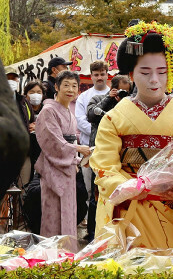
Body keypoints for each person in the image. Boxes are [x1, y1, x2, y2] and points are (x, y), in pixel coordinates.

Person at [89, 21, 173, 277]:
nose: (154, 80)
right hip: (131, 213)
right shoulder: (114, 119)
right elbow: (104, 167)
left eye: (162, 72)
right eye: (145, 72)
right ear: (130, 74)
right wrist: (130, 187)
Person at [34, 70, 92, 250]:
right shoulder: (48, 111)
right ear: (56, 87)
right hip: (53, 166)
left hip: (68, 166)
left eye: (74, 86)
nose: (70, 89)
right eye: (66, 85)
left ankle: (67, 254)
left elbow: (69, 139)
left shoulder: (69, 112)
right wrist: (77, 150)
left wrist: (75, 157)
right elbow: (53, 142)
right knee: (53, 211)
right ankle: (51, 256)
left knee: (68, 211)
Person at [83, 74, 132, 242]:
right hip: (100, 152)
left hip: (123, 155)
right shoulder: (98, 99)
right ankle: (92, 234)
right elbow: (91, 116)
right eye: (120, 91)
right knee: (96, 194)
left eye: (127, 91)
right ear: (113, 88)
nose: (123, 94)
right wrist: (108, 98)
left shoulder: (130, 103)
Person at [74, 60, 110, 232]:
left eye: (102, 74)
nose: (100, 77)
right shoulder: (84, 97)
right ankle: (90, 223)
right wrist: (99, 132)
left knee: (107, 187)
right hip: (88, 148)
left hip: (110, 148)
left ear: (107, 75)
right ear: (91, 76)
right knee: (89, 187)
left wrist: (106, 135)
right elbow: (81, 121)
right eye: (96, 74)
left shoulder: (114, 94)